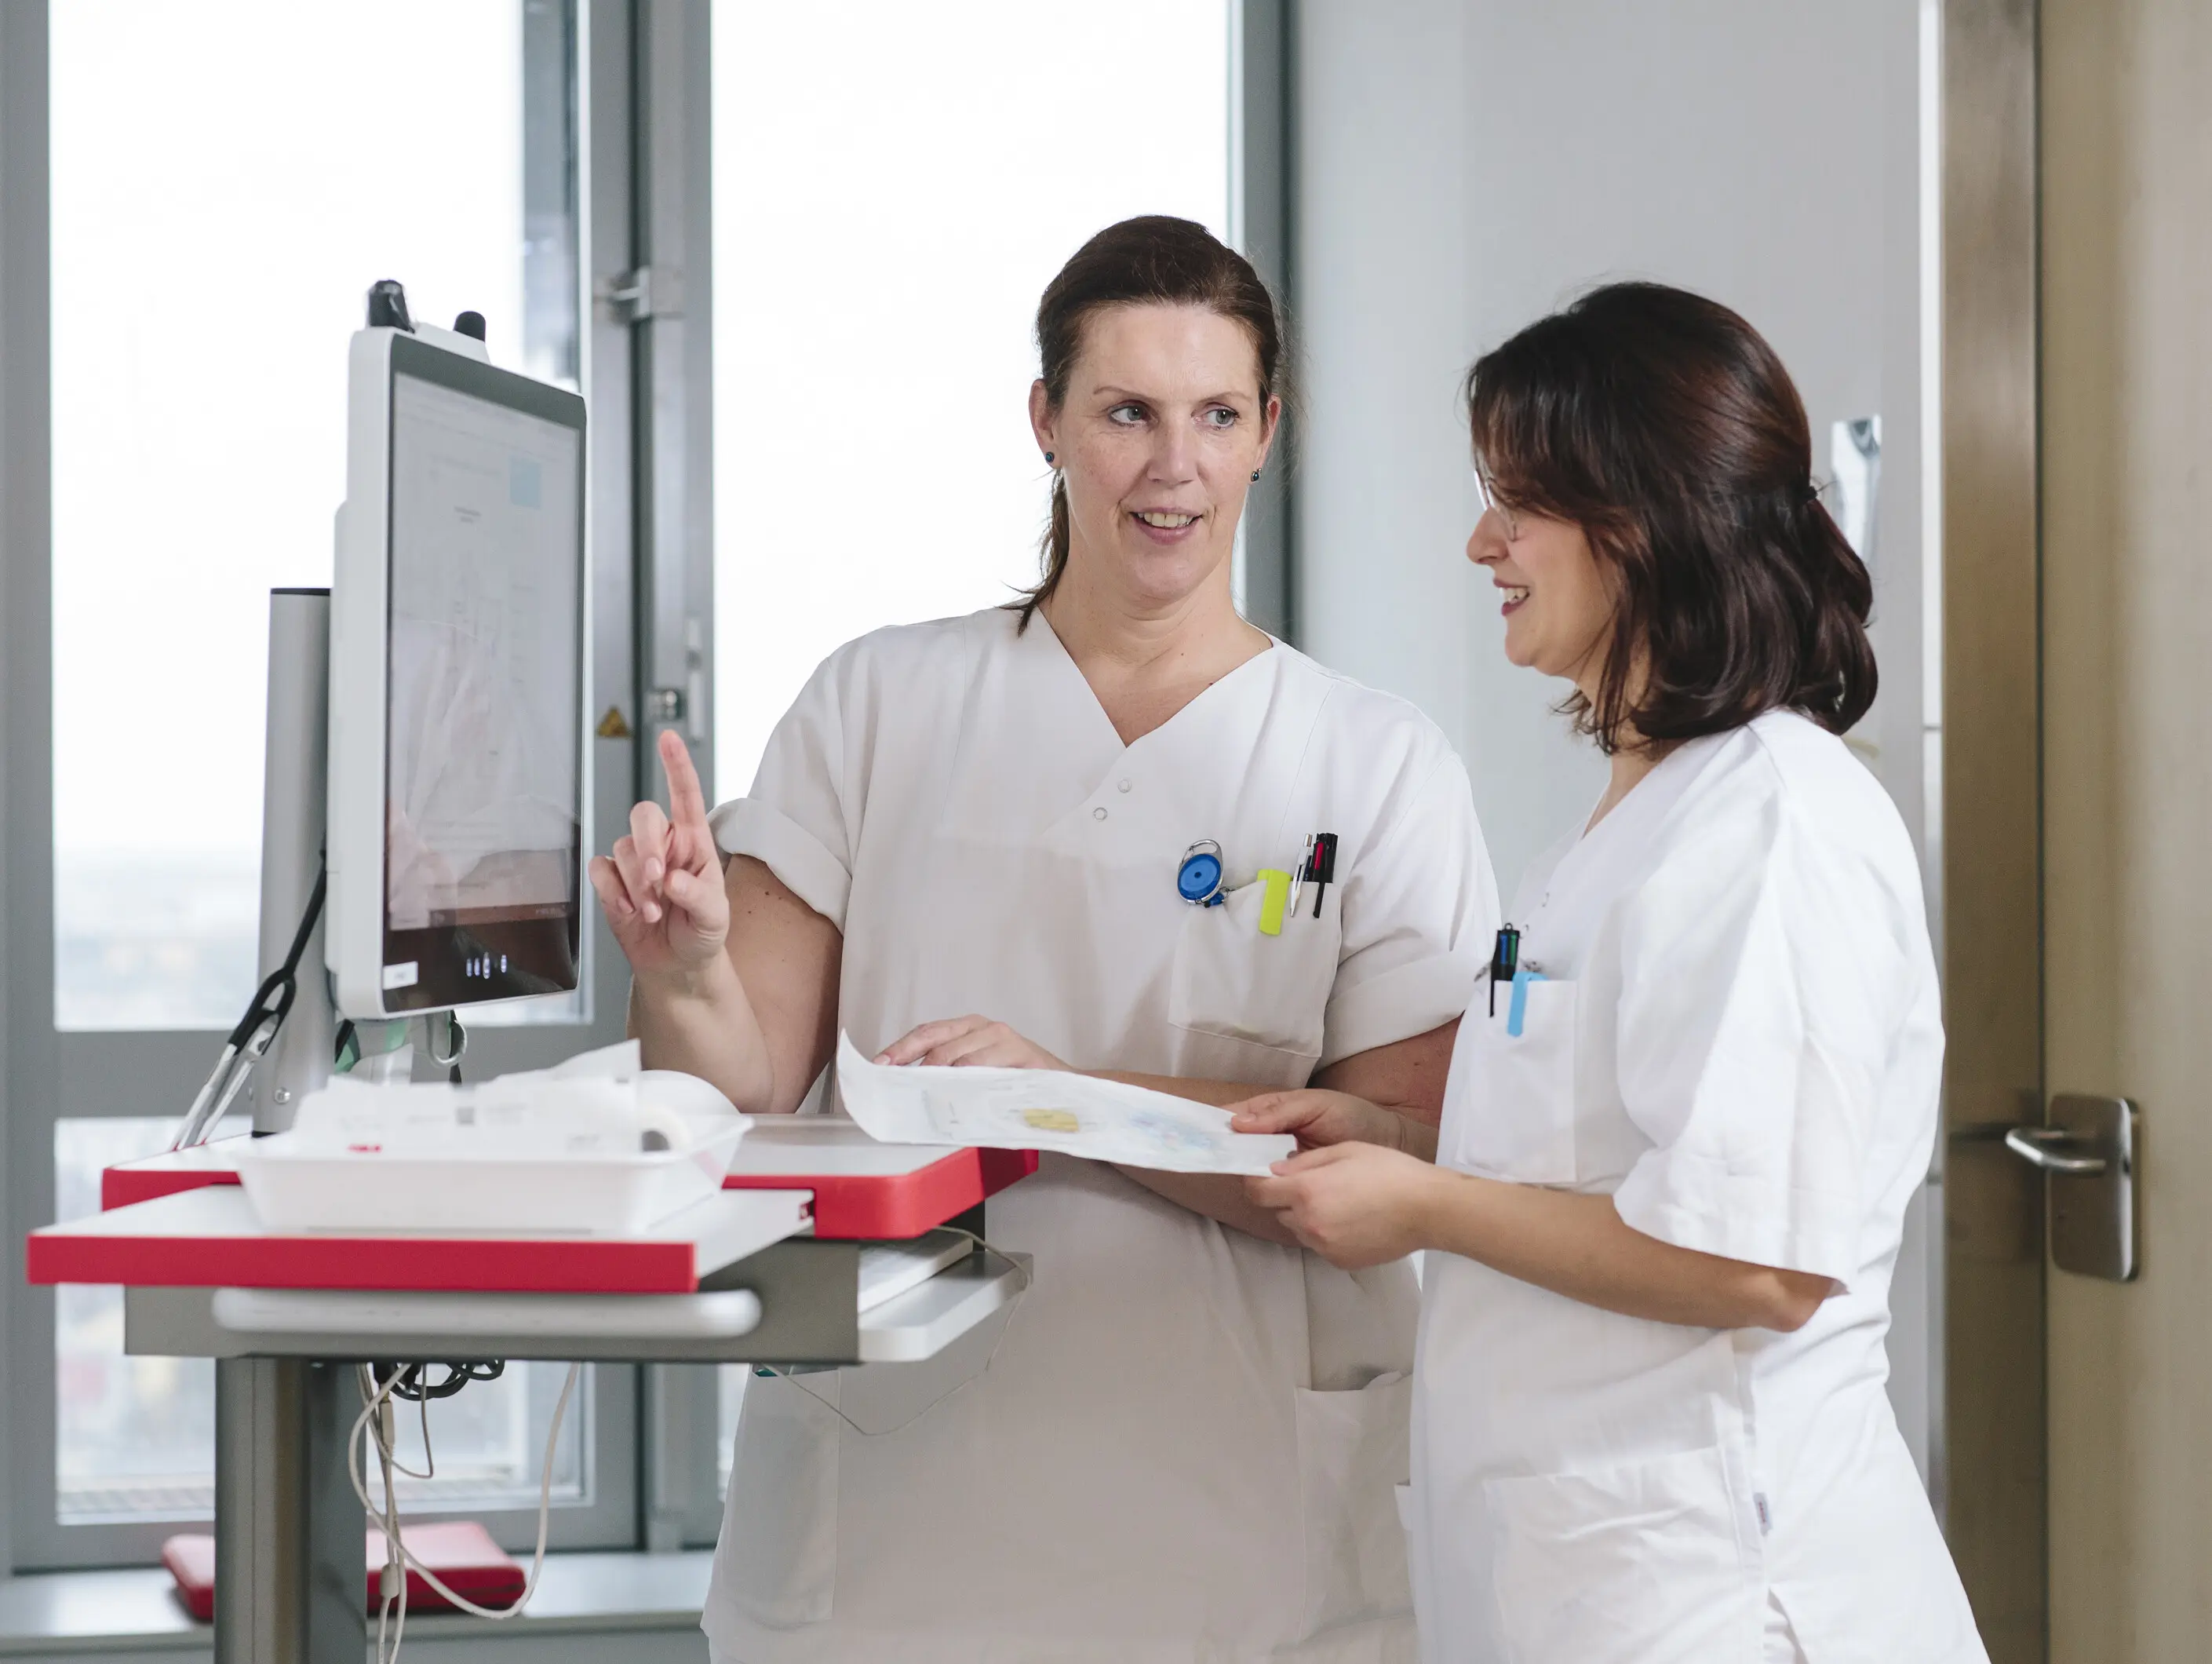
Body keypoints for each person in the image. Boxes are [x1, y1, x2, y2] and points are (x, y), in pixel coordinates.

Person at [589, 216, 1499, 1662]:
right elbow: (743, 1084)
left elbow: (1397, 1151)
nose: (1170, 465)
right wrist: (686, 966)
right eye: (1124, 412)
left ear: (1268, 433)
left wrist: (1054, 1097)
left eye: (1212, 415)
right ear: (1047, 423)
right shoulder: (880, 703)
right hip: (896, 1509)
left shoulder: (1375, 764)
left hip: (1240, 1513)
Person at [1237, 283, 1988, 1663]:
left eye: (1513, 504)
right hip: (1591, 1576)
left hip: (1719, 1588)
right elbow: (1615, 1152)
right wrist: (1401, 1136)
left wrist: (1426, 1203)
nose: (1480, 543)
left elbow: (1756, 1261)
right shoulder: (1640, 812)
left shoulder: (1772, 819)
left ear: (1636, 524)